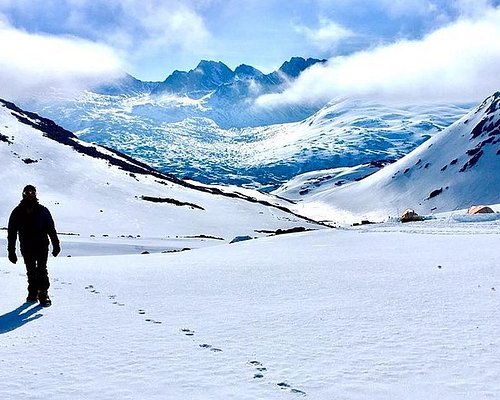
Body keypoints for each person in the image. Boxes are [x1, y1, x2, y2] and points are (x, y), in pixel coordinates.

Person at [7, 185, 61, 306]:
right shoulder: (17, 211)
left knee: (42, 269)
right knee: (30, 270)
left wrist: (56, 244)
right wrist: (11, 251)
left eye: (32, 192)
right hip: (26, 246)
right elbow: (11, 232)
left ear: (36, 194)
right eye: (27, 192)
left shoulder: (43, 210)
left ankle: (43, 293)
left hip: (42, 244)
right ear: (23, 194)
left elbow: (51, 228)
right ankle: (32, 293)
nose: (30, 194)